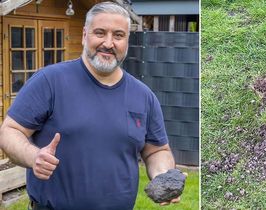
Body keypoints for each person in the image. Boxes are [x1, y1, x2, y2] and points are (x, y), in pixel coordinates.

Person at [0, 2, 179, 210]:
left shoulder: (143, 96)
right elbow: (9, 131)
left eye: (119, 35)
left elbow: (156, 151)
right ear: (85, 35)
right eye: (100, 33)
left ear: (127, 41)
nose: (109, 43)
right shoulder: (50, 81)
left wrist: (164, 176)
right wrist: (33, 157)